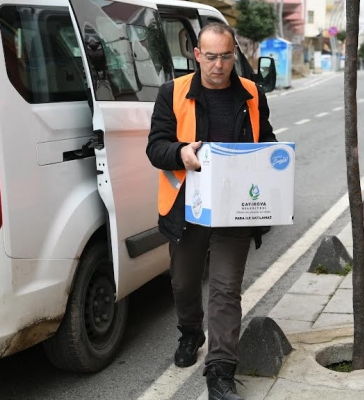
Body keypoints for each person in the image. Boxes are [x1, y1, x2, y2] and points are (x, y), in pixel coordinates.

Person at [146, 23, 276, 400]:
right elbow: (156, 147)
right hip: (187, 207)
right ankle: (190, 332)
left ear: (235, 54)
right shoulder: (172, 93)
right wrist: (181, 153)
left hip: (235, 210)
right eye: (211, 57)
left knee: (225, 290)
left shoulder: (252, 93)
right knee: (184, 283)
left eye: (226, 56)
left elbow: (264, 138)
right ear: (197, 55)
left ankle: (220, 372)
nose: (218, 65)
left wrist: (275, 161)